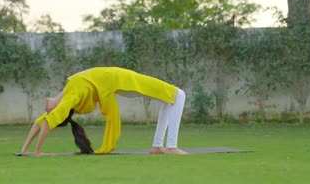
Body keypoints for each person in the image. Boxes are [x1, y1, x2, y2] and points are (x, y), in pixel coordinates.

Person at [20, 67, 187, 156]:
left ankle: (158, 146)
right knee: (178, 94)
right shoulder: (70, 98)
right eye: (49, 110)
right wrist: (37, 152)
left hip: (113, 79)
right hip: (119, 80)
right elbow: (48, 122)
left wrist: (24, 150)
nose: (45, 108)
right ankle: (171, 147)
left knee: (170, 98)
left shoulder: (67, 91)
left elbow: (39, 122)